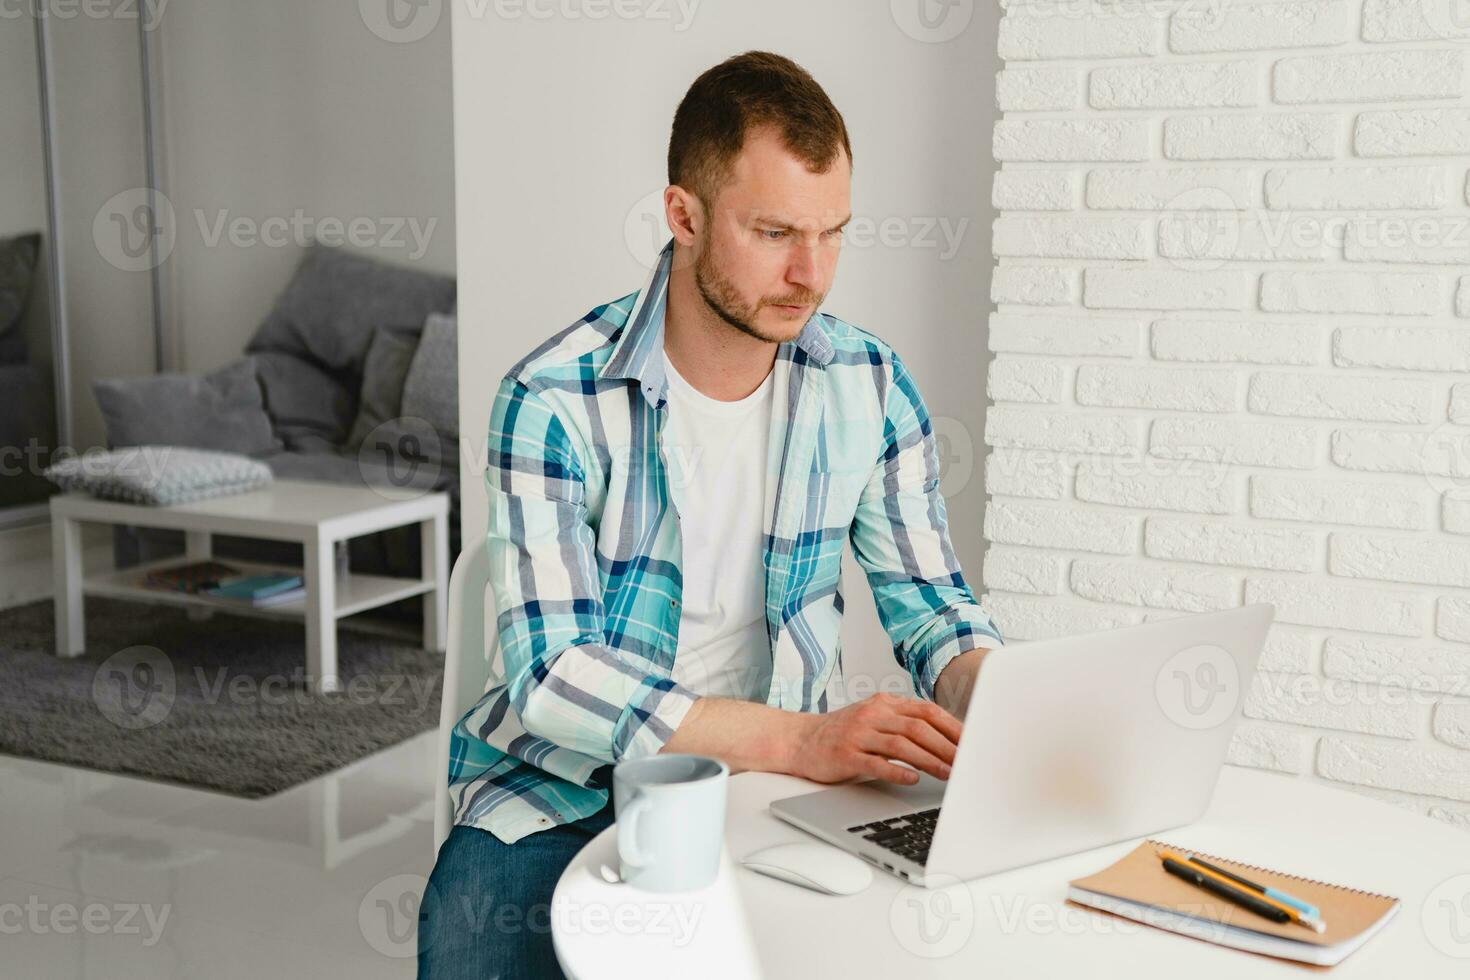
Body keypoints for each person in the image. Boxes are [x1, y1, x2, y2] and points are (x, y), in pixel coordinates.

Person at [418, 49, 1003, 979]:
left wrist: (1001, 710)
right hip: (569, 784)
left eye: (834, 233)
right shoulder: (553, 396)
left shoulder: (869, 384)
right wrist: (804, 740)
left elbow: (933, 607)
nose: (811, 276)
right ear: (682, 215)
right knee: (472, 942)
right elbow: (553, 677)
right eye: (774, 232)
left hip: (782, 789)